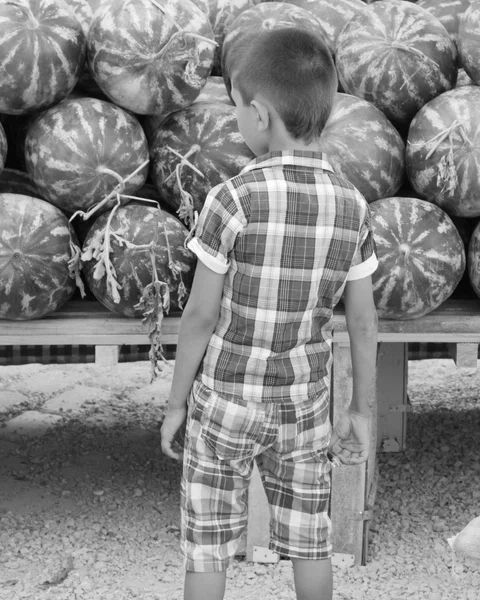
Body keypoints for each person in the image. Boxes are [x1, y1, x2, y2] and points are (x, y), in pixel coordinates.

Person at [160, 26, 379, 600]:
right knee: (310, 541)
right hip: (305, 404)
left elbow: (200, 318)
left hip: (226, 400)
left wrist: (178, 401)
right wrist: (361, 408)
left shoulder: (230, 198)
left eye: (235, 110)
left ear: (258, 114)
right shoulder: (353, 207)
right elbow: (362, 323)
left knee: (209, 545)